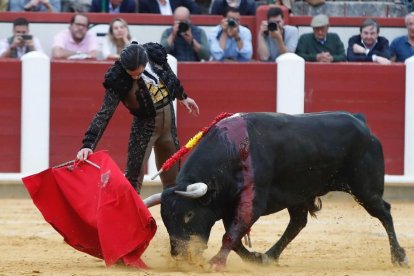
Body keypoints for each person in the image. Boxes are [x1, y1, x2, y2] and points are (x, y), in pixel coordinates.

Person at [76, 42, 200, 194]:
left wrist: (183, 96)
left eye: (138, 74)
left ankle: (174, 214)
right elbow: (104, 113)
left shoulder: (154, 54)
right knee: (133, 179)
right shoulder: (118, 77)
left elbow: (169, 75)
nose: (135, 77)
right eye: (131, 74)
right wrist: (88, 144)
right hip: (144, 126)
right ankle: (128, 216)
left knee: (174, 178)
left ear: (145, 62)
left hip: (168, 121)